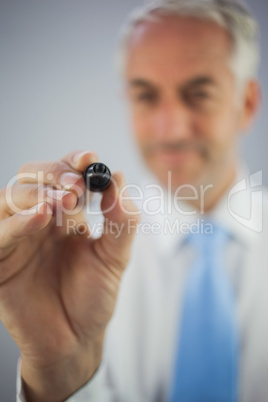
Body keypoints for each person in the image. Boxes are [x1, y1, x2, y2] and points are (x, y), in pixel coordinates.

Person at [0, 0, 267, 400]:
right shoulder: (75, 259)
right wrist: (62, 375)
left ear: (245, 104)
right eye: (145, 96)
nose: (171, 126)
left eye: (198, 94)